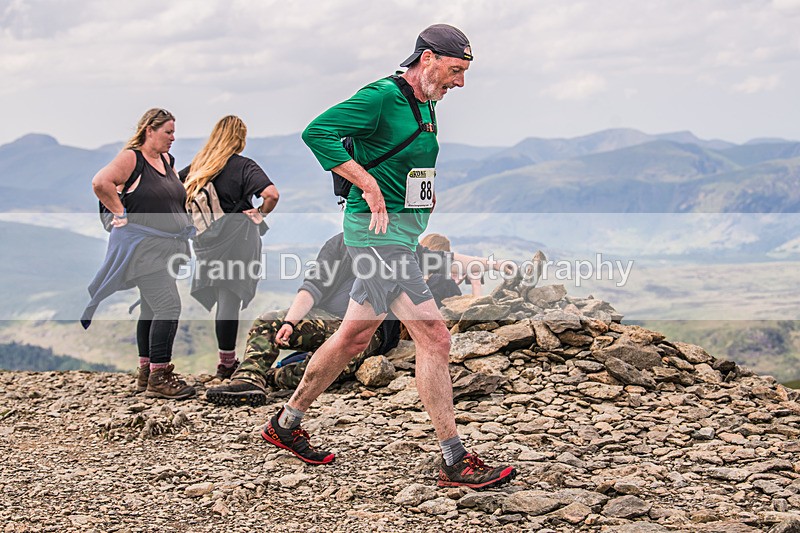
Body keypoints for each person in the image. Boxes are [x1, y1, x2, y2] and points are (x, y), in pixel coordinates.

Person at [260, 24, 517, 490]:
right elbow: (317, 132)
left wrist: (422, 197)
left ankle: (284, 423)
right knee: (435, 338)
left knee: (353, 338)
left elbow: (410, 158)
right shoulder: (382, 96)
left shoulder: (428, 103)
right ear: (428, 58)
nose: (460, 82)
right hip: (376, 236)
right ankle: (453, 459)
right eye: (456, 71)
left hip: (398, 233)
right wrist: (369, 184)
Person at [206, 231, 505, 406]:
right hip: (328, 318)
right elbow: (312, 286)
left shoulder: (401, 246)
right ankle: (248, 380)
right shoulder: (339, 245)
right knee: (268, 321)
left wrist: (495, 265)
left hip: (372, 330)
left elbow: (448, 260)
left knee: (341, 363)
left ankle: (273, 378)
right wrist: (290, 321)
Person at [84, 108, 196, 400]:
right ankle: (160, 376)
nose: (173, 138)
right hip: (144, 250)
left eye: (173, 132)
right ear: (149, 130)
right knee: (168, 306)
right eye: (168, 132)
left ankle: (146, 374)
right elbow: (100, 182)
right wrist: (119, 212)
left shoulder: (166, 161)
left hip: (166, 249)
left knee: (150, 307)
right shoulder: (132, 158)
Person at [179, 116, 279, 380]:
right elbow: (272, 194)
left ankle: (225, 360)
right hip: (237, 241)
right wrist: (260, 212)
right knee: (229, 300)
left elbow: (175, 197)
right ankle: (227, 364)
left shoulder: (199, 168)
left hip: (206, 243)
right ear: (240, 138)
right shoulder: (243, 166)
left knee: (224, 299)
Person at [420, 233, 483, 297]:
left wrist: (453, 285)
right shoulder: (444, 282)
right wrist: (476, 283)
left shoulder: (415, 279)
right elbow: (458, 306)